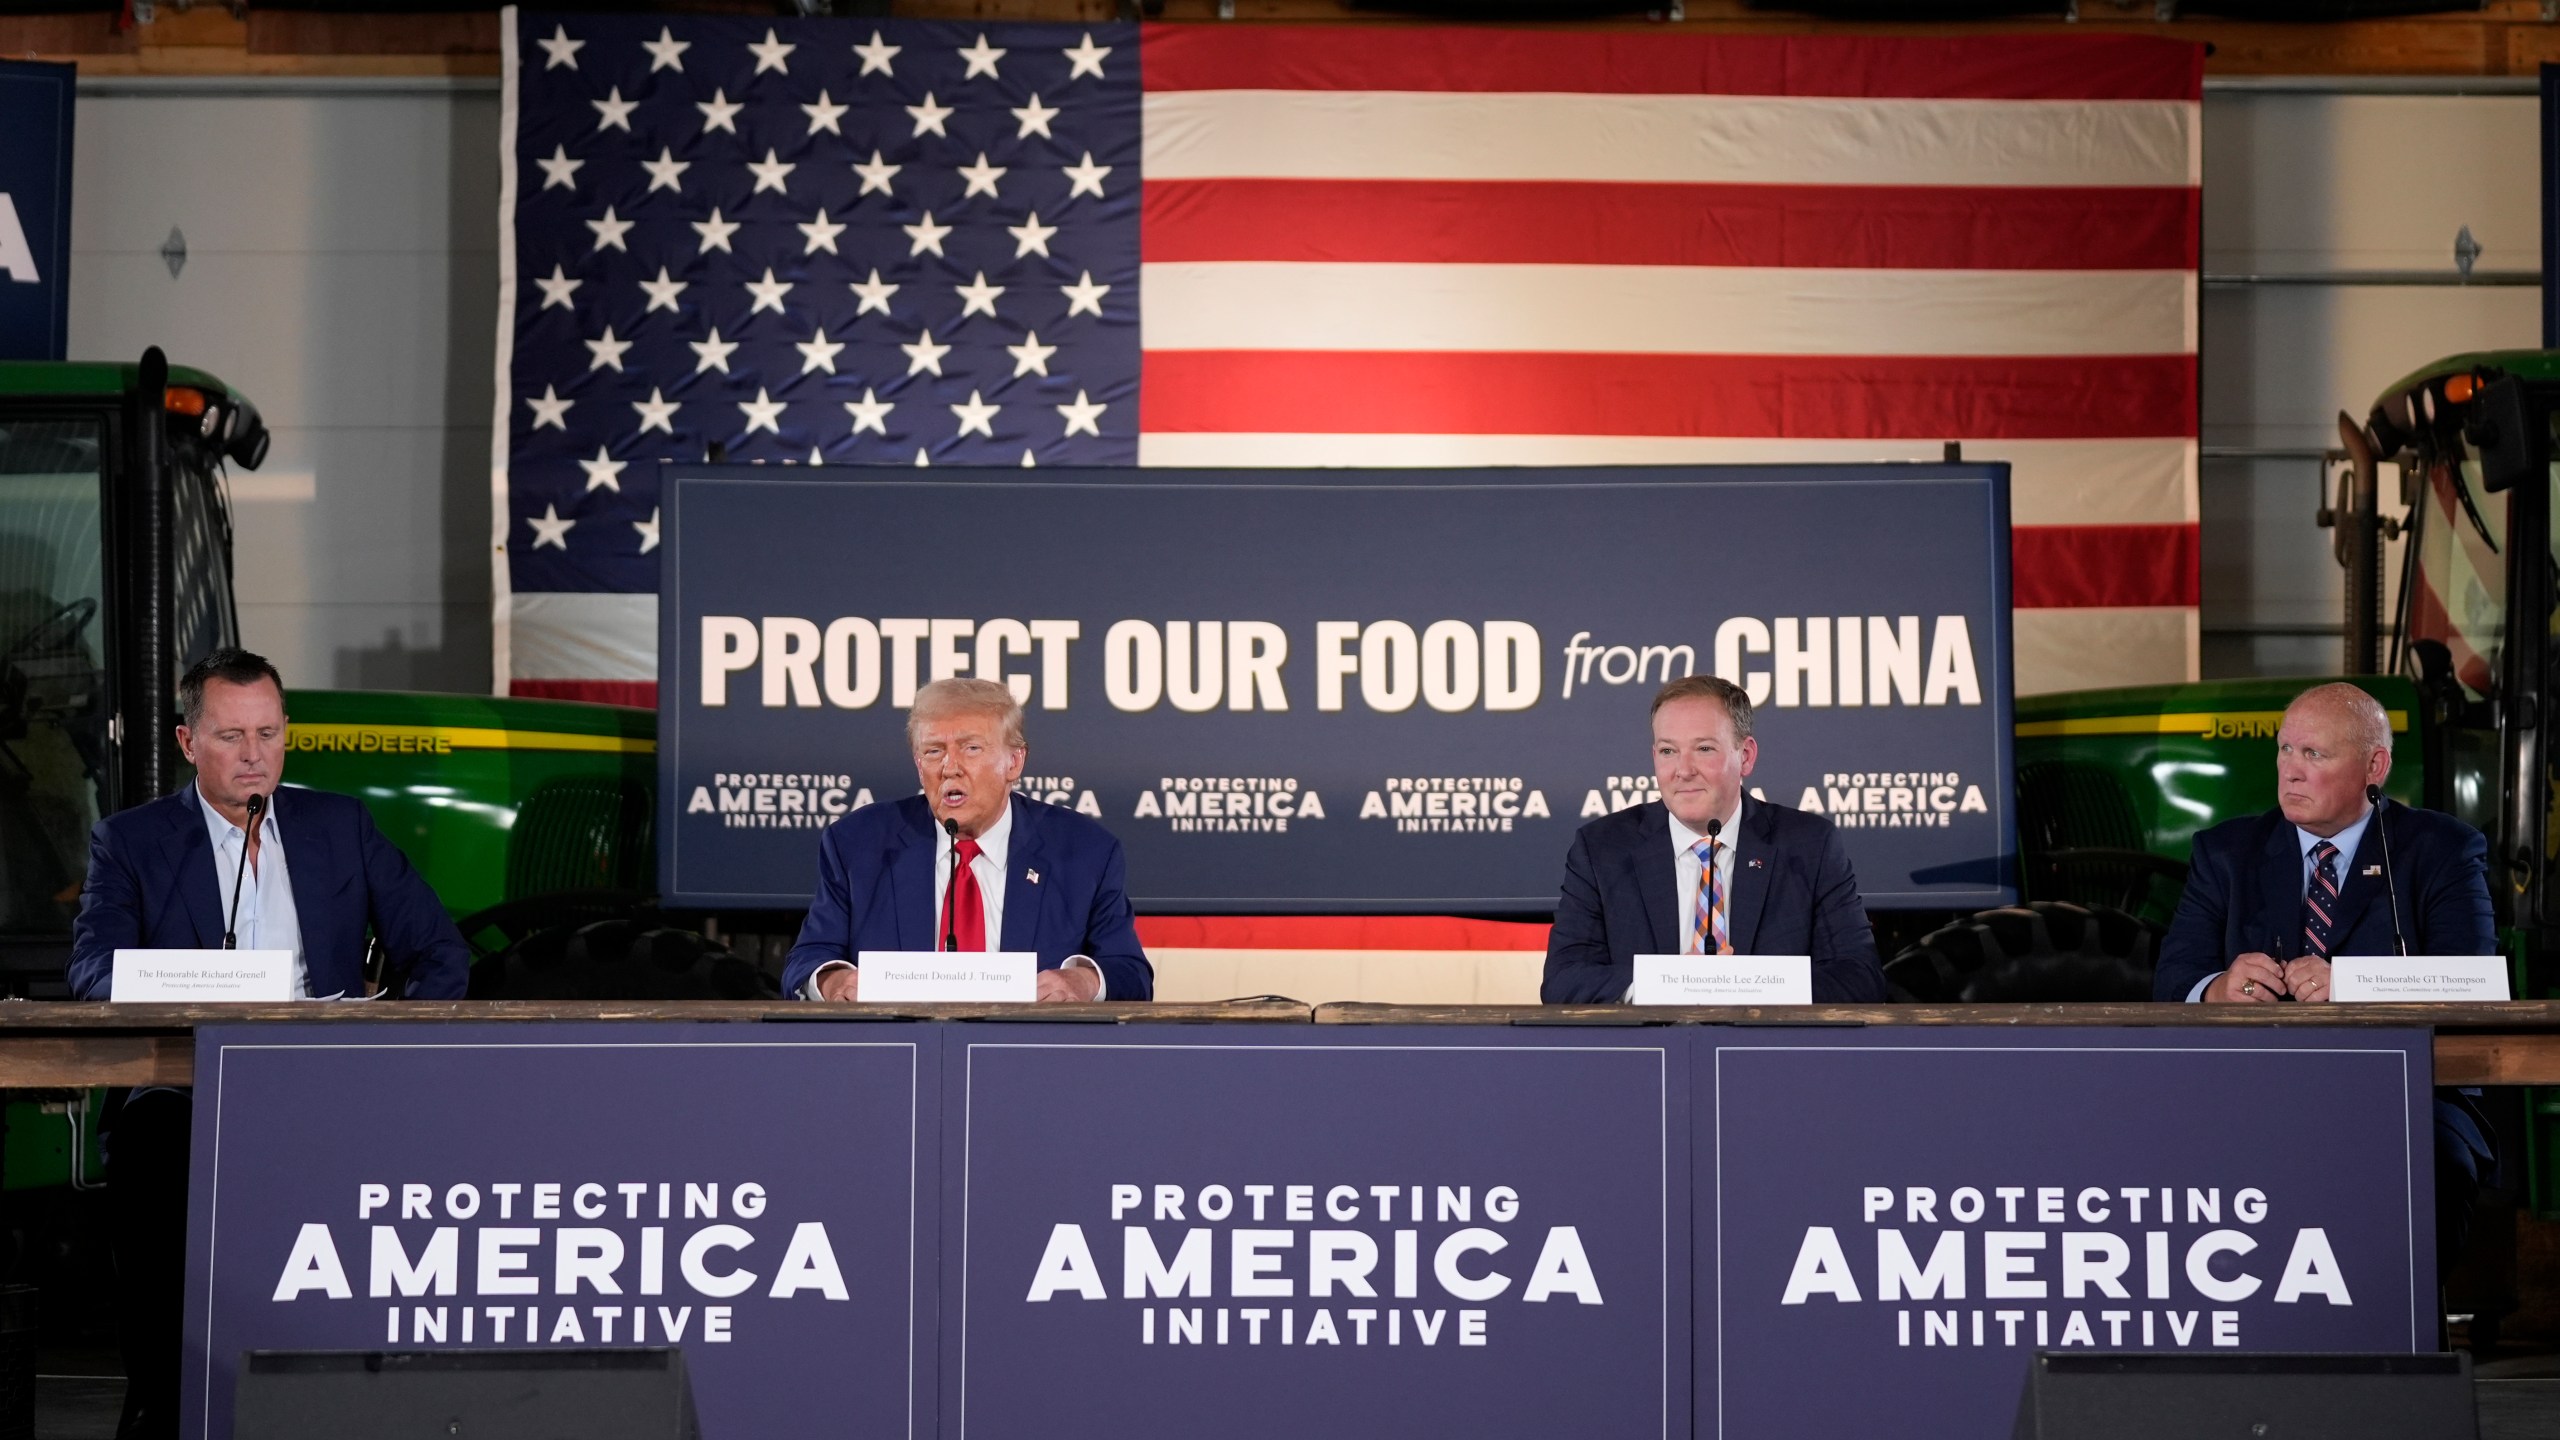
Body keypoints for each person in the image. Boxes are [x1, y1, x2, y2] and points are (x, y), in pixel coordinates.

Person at [66, 646, 470, 1440]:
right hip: (184, 1094)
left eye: (269, 733)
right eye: (231, 737)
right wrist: (187, 990)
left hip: (329, 1092)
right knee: (152, 1151)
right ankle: (163, 1405)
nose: (255, 756)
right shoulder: (132, 842)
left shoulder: (339, 826)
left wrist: (387, 1047)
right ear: (189, 744)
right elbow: (91, 971)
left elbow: (441, 953)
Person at [2153, 680, 2496, 1269]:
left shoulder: (2441, 850)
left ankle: (2402, 1340)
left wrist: (2356, 985)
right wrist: (2216, 989)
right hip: (2254, 1091)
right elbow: (2172, 976)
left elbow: (2475, 983)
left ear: (2375, 766)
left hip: (2410, 1093)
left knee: (2431, 1164)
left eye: (2314, 754)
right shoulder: (2227, 853)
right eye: (2285, 750)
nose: (2290, 770)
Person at [785, 677, 1151, 1001]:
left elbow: (1130, 974)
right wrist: (833, 982)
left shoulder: (1085, 851)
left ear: (1014, 762)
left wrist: (1082, 982)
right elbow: (806, 962)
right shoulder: (857, 845)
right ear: (918, 764)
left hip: (1032, 1058)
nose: (950, 767)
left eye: (971, 748)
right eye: (934, 751)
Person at [1542, 674, 1886, 1004]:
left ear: (1746, 756)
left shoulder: (1809, 847)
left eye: (1704, 749)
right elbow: (1564, 980)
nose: (1683, 769)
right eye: (1668, 751)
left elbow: (1860, 978)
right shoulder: (1603, 849)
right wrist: (1671, 984)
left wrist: (1743, 986)